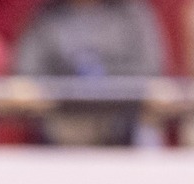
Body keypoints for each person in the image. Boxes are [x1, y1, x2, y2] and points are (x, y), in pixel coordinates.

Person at [13, 0, 165, 144]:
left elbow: (151, 70)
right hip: (62, 122)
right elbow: (26, 72)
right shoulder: (46, 14)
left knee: (152, 113)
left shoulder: (130, 12)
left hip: (123, 120)